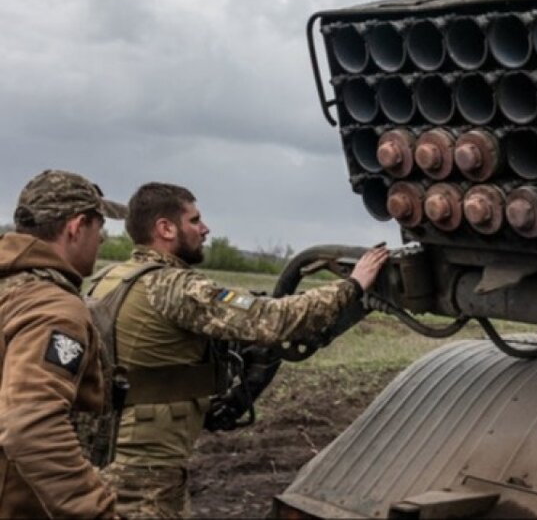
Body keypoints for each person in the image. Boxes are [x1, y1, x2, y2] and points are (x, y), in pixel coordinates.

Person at [90, 182, 389, 518]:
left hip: (111, 457)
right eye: (195, 220)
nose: (205, 229)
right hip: (146, 473)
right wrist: (352, 285)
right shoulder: (172, 286)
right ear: (165, 228)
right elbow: (273, 320)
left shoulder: (110, 276)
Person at [0, 170, 126, 518]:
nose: (101, 240)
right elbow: (30, 423)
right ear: (76, 226)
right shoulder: (52, 308)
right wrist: (95, 510)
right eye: (99, 227)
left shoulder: (10, 286)